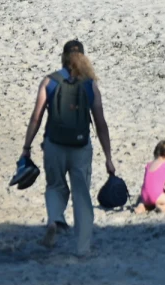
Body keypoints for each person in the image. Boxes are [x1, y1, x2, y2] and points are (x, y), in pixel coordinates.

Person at [19, 40, 115, 256]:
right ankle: (82, 248)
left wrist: (27, 147)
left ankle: (54, 219)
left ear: (63, 57)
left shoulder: (49, 81)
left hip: (54, 143)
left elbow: (36, 117)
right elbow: (100, 123)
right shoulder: (90, 85)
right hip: (81, 147)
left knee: (55, 186)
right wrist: (108, 157)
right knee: (81, 196)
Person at [135, 140, 165, 213]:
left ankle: (141, 207)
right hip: (155, 196)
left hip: (144, 196)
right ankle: (163, 207)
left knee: (148, 203)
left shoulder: (148, 165)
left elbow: (150, 183)